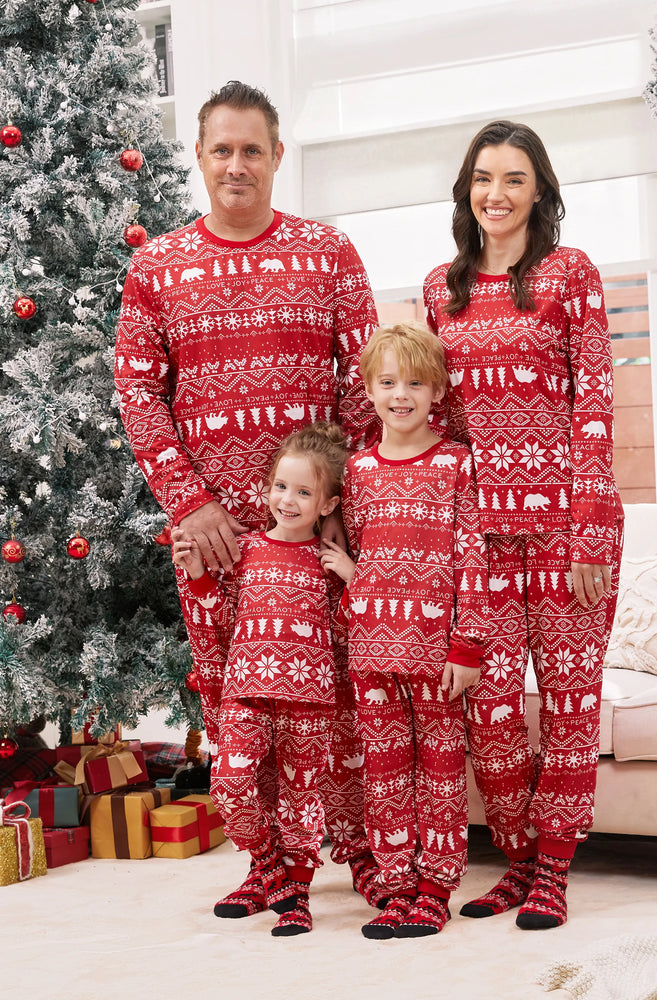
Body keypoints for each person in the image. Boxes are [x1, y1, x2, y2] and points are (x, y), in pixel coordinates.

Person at [114, 81, 383, 915]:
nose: (237, 164)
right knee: (236, 703)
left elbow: (364, 384)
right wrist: (189, 501)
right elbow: (137, 390)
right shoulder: (156, 267)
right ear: (199, 156)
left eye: (252, 150)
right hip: (214, 537)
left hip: (312, 538)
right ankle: (269, 861)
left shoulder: (328, 252)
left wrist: (344, 511)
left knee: (338, 695)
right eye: (222, 149)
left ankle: (364, 852)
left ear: (276, 157)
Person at [423, 121, 624, 930]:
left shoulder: (569, 274)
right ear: (466, 190)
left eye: (513, 178)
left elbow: (595, 402)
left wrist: (590, 529)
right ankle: (516, 858)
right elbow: (442, 422)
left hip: (567, 530)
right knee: (492, 710)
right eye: (483, 178)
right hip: (482, 537)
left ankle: (554, 871)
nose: (496, 194)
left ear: (539, 190)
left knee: (570, 703)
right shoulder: (440, 289)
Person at [320, 322, 489, 938]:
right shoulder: (358, 472)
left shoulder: (456, 464)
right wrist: (351, 576)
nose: (401, 395)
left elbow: (473, 558)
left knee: (440, 773)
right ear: (368, 389)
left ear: (438, 391)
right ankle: (396, 888)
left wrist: (466, 646)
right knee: (384, 773)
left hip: (436, 653)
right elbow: (362, 554)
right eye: (388, 382)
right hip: (371, 650)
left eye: (416, 383)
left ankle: (435, 890)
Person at [172, 423, 348, 936]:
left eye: (304, 492)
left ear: (328, 504)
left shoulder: (327, 562)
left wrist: (352, 578)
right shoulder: (245, 550)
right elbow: (224, 619)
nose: (288, 500)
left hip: (308, 698)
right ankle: (269, 868)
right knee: (229, 784)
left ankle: (296, 894)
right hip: (245, 690)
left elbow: (347, 630)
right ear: (266, 487)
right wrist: (198, 574)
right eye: (281, 487)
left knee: (300, 797)